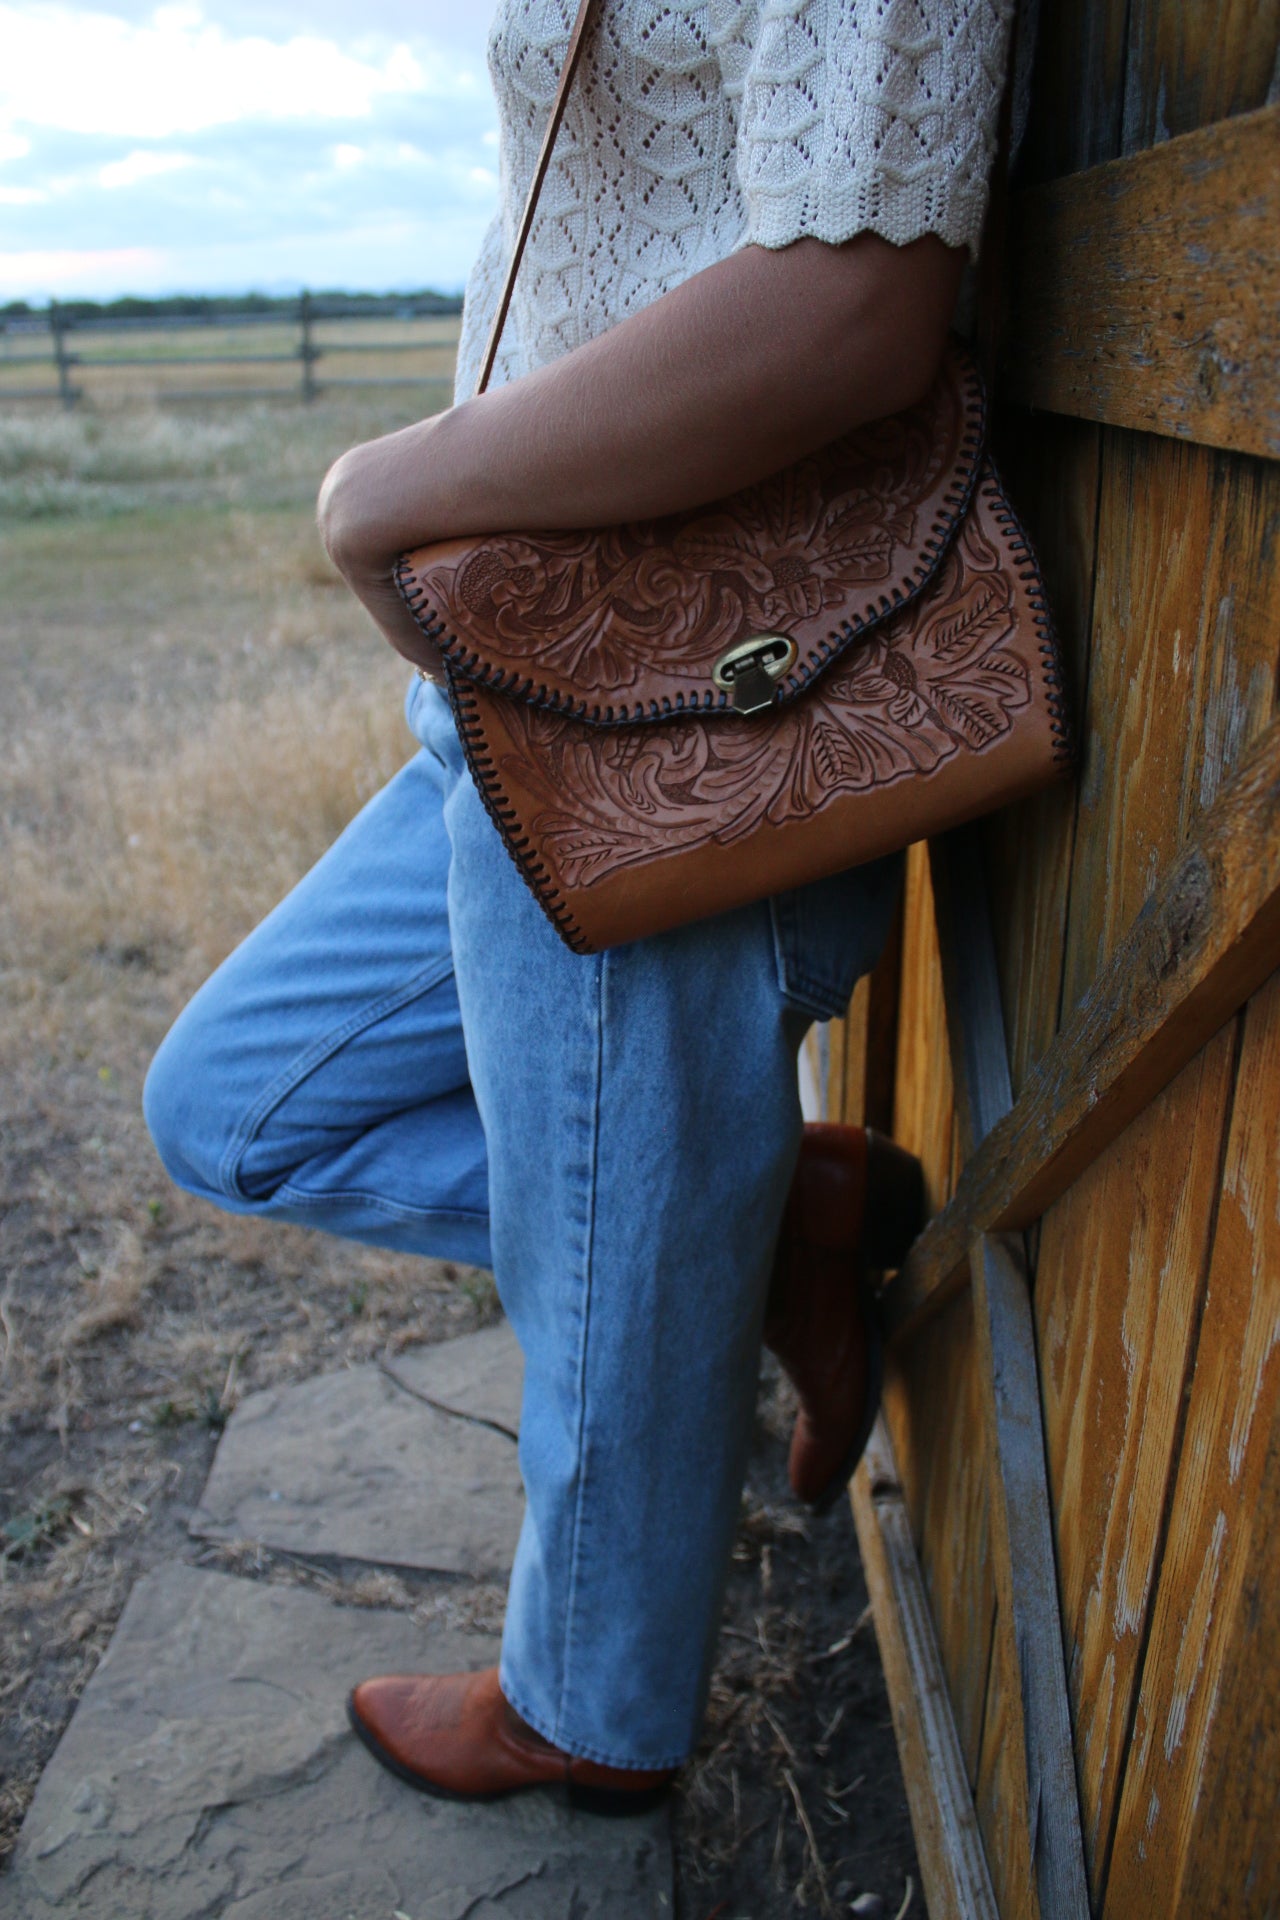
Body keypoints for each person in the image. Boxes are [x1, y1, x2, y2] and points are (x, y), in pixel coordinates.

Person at [144, 0, 1013, 1812]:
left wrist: (381, 489)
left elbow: (857, 301)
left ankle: (588, 1718)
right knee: (232, 1108)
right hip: (518, 651)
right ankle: (766, 1231)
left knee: (617, 1267)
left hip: (705, 694)